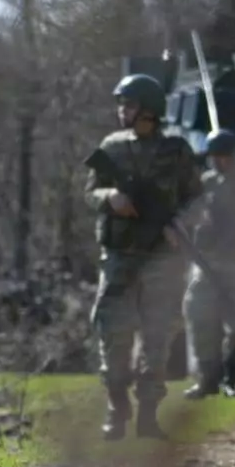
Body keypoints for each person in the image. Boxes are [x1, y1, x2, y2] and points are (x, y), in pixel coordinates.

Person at [84, 73, 202, 440]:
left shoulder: (177, 150)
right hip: (119, 256)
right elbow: (90, 192)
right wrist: (110, 198)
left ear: (149, 110)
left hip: (162, 258)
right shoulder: (112, 146)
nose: (123, 110)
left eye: (130, 104)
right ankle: (116, 409)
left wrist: (178, 225)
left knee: (158, 337)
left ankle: (148, 414)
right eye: (121, 104)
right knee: (112, 335)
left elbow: (196, 199)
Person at [181, 128, 235, 400]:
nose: (218, 161)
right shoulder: (205, 183)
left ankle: (231, 378)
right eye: (214, 156)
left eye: (222, 155)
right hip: (206, 262)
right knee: (198, 315)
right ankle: (206, 379)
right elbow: (190, 213)